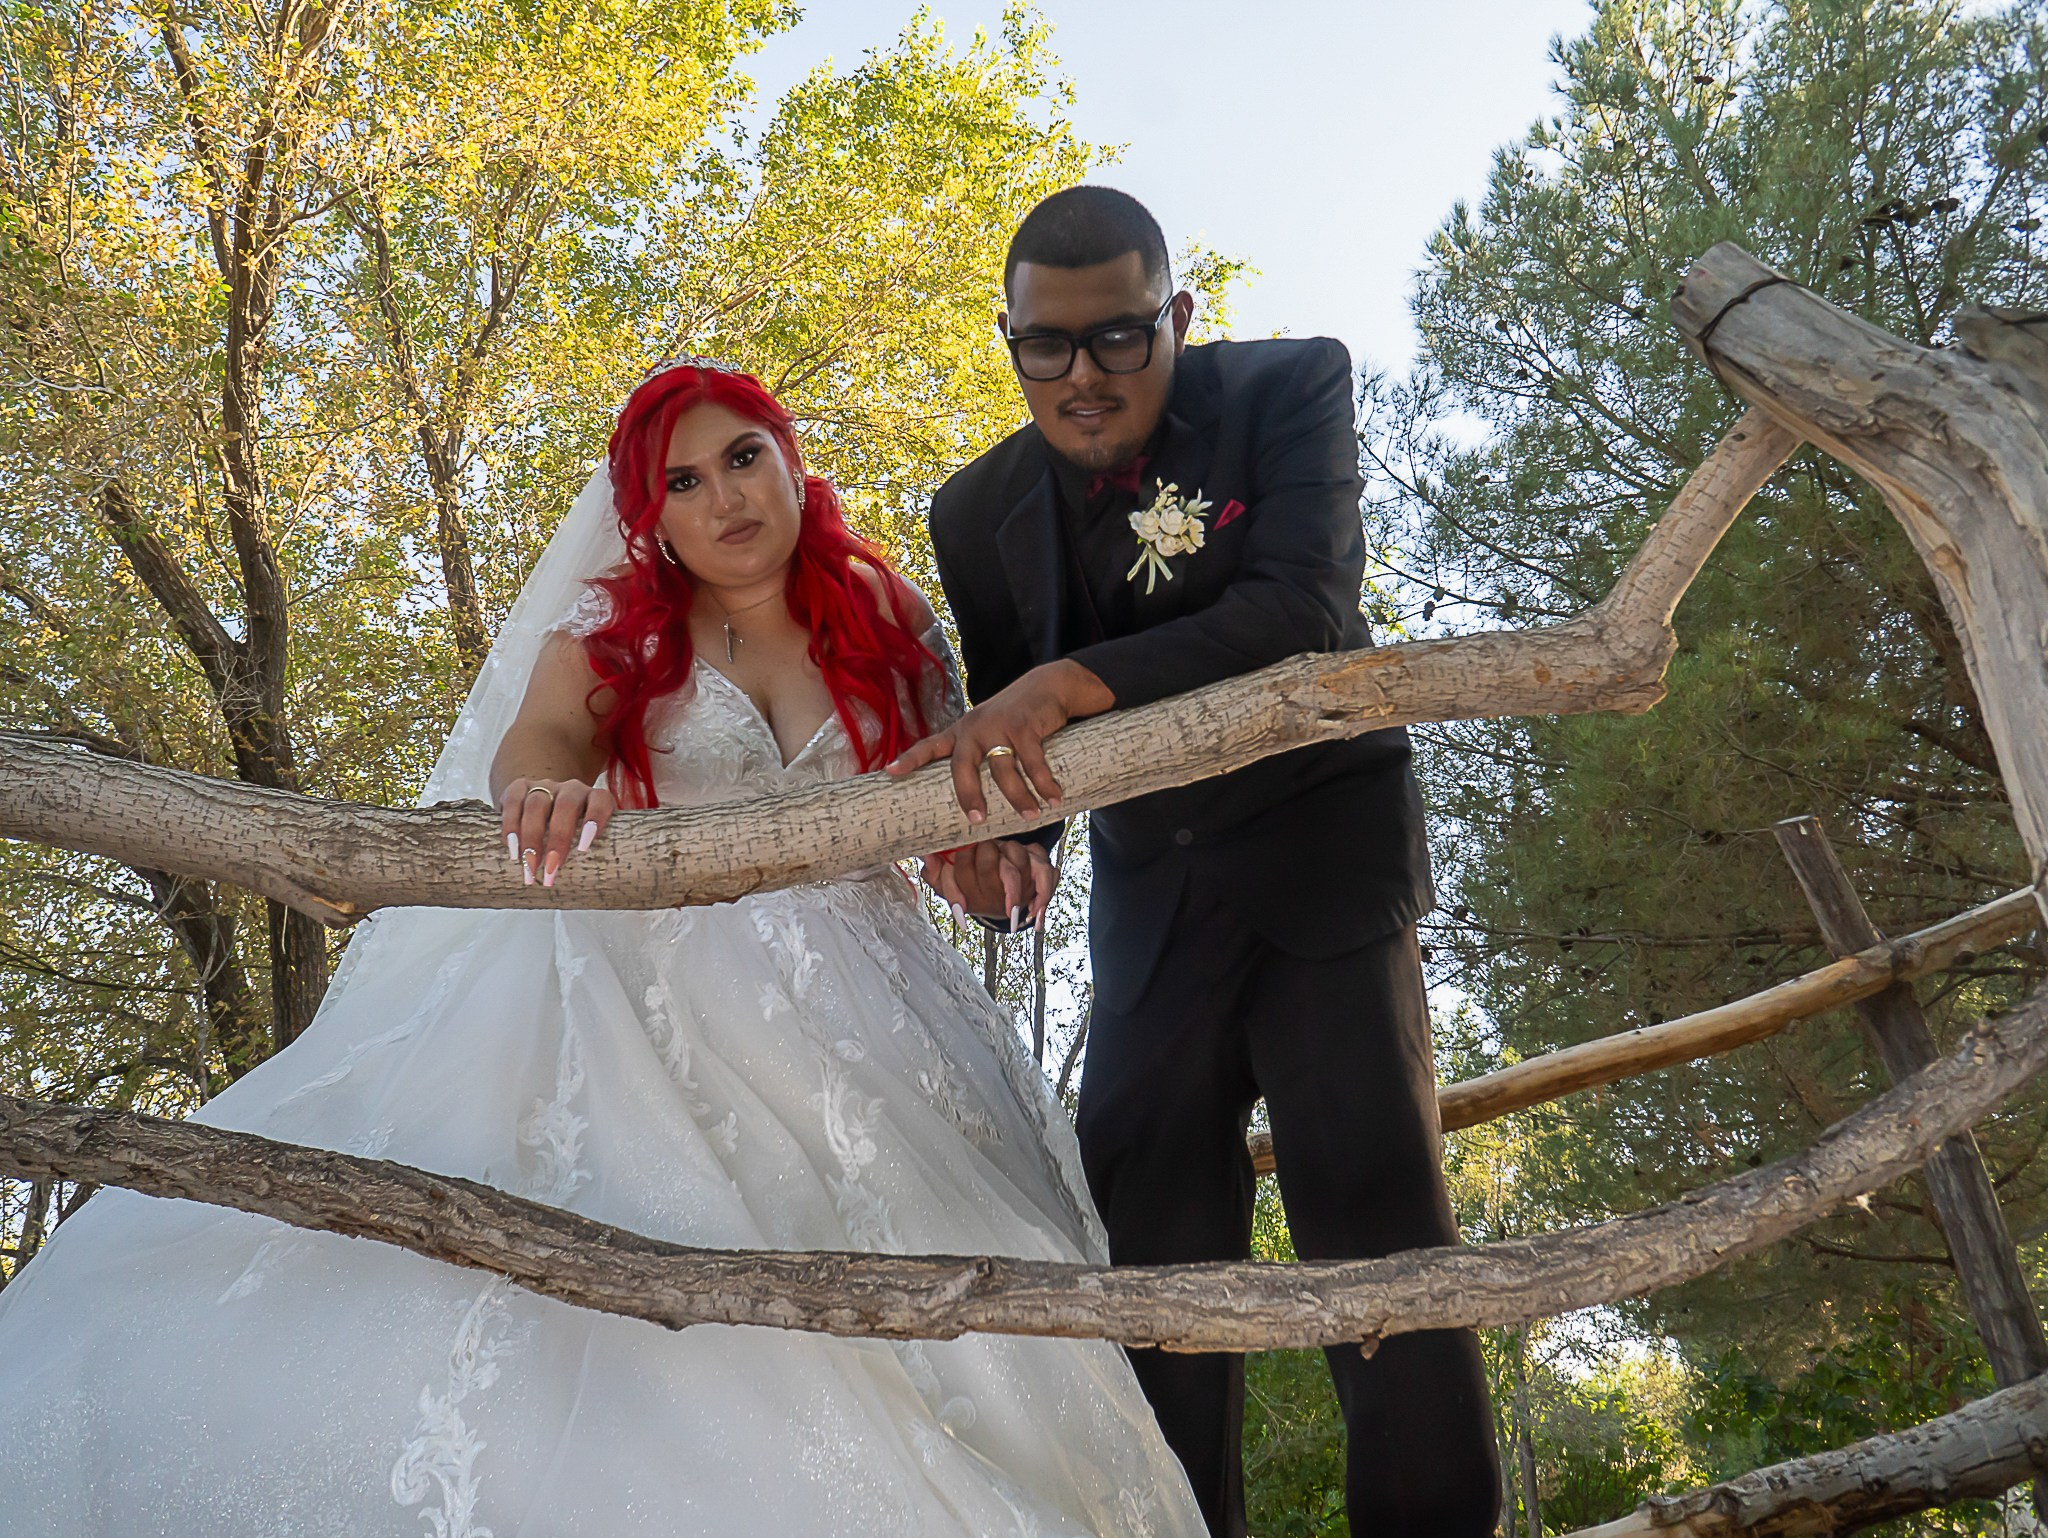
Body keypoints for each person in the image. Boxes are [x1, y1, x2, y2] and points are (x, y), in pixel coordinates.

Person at [0, 360, 1206, 1537]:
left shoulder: (891, 619)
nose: (725, 497)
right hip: (656, 960)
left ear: (792, 460)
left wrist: (987, 866)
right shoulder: (615, 628)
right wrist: (546, 797)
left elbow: (935, 830)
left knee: (978, 1279)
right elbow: (529, 750)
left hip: (875, 996)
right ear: (650, 515)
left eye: (744, 457)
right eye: (683, 482)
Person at [893, 186, 1502, 1536]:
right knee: (1150, 1266)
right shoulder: (973, 507)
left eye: (1118, 337)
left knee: (1379, 1236)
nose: (1084, 376)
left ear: (1174, 314)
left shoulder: (1292, 386)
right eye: (1046, 347)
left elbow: (1306, 607)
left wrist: (1065, 681)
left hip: (1324, 876)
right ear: (1009, 339)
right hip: (1152, 911)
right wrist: (1012, 850)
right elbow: (1015, 726)